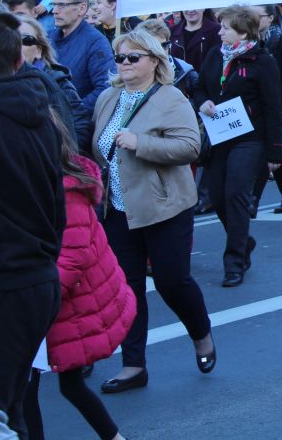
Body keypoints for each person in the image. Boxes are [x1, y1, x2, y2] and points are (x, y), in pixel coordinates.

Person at [93, 28, 213, 394]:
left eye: (133, 57)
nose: (124, 64)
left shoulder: (170, 98)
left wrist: (140, 143)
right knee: (126, 290)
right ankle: (134, 365)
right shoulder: (108, 97)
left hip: (164, 207)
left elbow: (190, 147)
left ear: (155, 61)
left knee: (171, 281)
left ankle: (201, 334)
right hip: (118, 210)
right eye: (120, 57)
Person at [0, 9, 64, 437]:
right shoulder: (35, 112)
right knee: (6, 410)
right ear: (16, 61)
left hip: (0, 279)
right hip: (34, 276)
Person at [35, 144, 134, 440]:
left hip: (66, 303)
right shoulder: (52, 185)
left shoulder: (66, 192)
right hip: (59, 300)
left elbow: (73, 256)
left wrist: (38, 299)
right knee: (67, 385)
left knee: (35, 387)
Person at [196, 6, 282, 286]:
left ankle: (234, 262)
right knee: (217, 197)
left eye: (225, 28)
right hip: (219, 137)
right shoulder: (214, 56)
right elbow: (199, 87)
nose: (219, 31)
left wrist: (274, 150)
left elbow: (272, 106)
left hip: (250, 139)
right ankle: (243, 241)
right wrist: (203, 101)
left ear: (243, 32)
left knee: (236, 194)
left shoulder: (262, 61)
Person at [18, 14, 92, 150]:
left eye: (26, 40)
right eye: (11, 39)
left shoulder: (57, 82)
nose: (17, 45)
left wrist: (57, 159)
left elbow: (79, 129)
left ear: (39, 51)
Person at [254, 4, 282, 214]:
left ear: (271, 18)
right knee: (275, 153)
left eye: (259, 15)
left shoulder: (281, 40)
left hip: (280, 105)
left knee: (271, 152)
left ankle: (253, 200)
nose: (254, 19)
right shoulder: (251, 42)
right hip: (260, 106)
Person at [48, 0, 114, 114]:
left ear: (82, 8)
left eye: (61, 5)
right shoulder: (48, 37)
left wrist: (73, 112)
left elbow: (105, 88)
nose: (54, 10)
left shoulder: (96, 42)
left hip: (76, 125)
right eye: (53, 5)